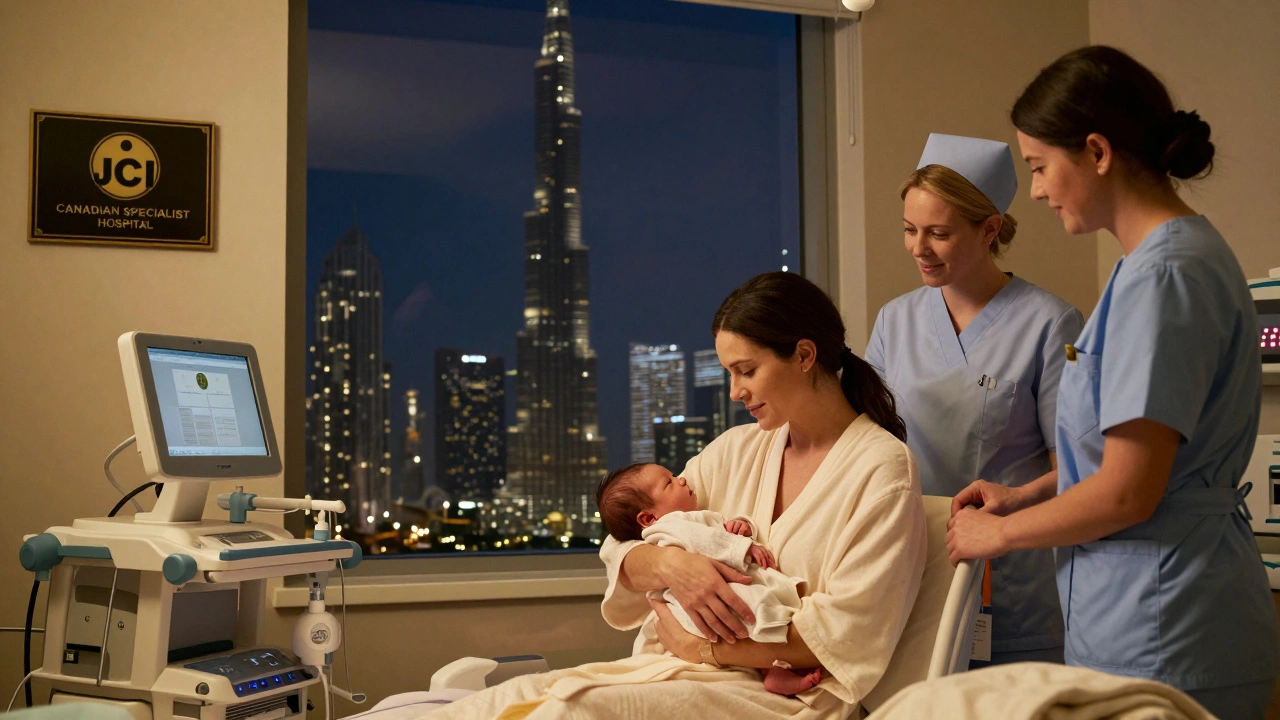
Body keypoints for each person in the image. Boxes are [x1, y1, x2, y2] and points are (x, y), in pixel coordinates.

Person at [946, 45, 1279, 719]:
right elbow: (1124, 456)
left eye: (1040, 166)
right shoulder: (1161, 262)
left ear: (1096, 152)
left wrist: (999, 537)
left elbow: (1129, 489)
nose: (1036, 191)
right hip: (1150, 609)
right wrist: (1024, 495)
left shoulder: (1163, 277)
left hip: (1167, 622)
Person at [432, 272, 927, 719]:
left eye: (746, 370)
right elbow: (626, 541)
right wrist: (674, 566)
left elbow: (842, 636)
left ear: (803, 355)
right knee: (494, 703)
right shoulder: (735, 450)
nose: (734, 392)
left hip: (786, 700)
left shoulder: (881, 471)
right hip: (681, 671)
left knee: (573, 710)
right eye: (729, 373)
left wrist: (704, 650)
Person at [865, 133, 1084, 666]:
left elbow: (1078, 471)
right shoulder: (895, 321)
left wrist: (1015, 501)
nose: (919, 248)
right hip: (914, 569)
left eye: (939, 233)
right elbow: (866, 444)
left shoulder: (1050, 323)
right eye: (910, 230)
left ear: (989, 230)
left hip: (1012, 581)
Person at [596, 461, 822, 696]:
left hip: (700, 609)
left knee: (747, 622)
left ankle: (773, 670)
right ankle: (777, 665)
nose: (682, 479)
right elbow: (708, 541)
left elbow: (716, 530)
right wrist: (743, 547)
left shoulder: (686, 521)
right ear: (648, 518)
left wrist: (741, 525)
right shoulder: (672, 525)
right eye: (669, 482)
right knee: (759, 608)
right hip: (696, 606)